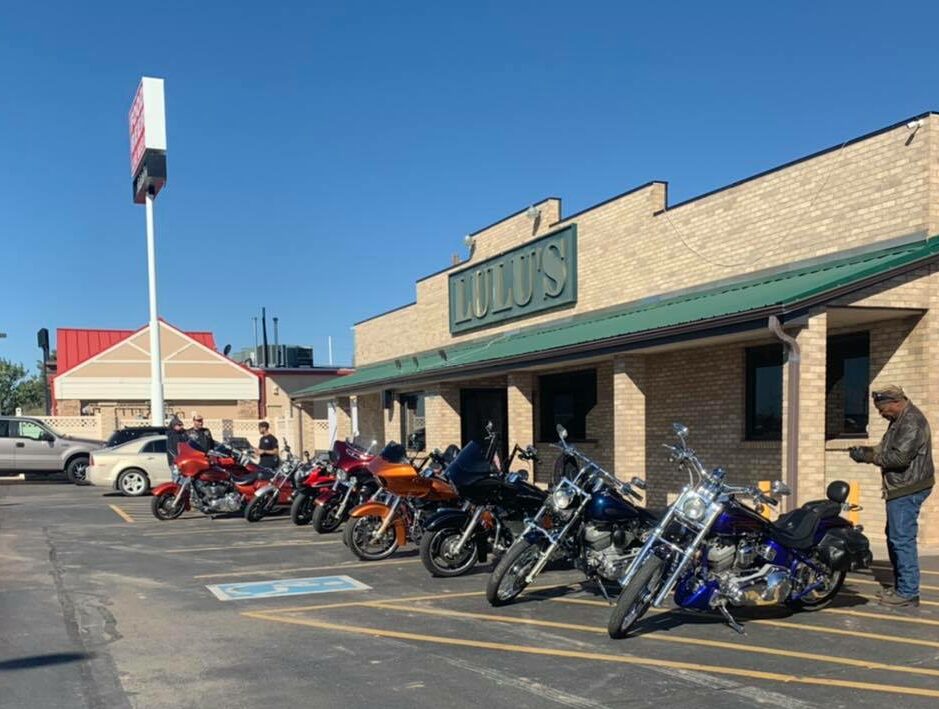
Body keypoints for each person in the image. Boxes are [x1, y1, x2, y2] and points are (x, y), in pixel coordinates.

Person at [849, 385, 935, 607]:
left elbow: (899, 459)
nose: (881, 413)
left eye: (882, 409)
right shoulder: (898, 421)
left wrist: (869, 458)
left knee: (902, 539)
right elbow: (885, 449)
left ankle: (908, 592)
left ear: (896, 403)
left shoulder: (911, 422)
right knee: (895, 536)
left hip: (908, 488)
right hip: (901, 487)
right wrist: (866, 451)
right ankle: (902, 587)